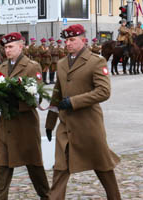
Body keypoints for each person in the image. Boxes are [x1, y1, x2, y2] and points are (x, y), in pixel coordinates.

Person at [45, 24, 121, 199]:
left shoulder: (96, 61)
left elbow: (104, 92)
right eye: (66, 40)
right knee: (60, 168)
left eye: (72, 40)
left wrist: (73, 101)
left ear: (83, 40)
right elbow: (57, 94)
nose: (68, 44)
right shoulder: (62, 63)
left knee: (102, 166)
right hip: (66, 126)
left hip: (89, 125)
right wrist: (50, 123)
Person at [0, 32, 50, 200]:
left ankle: (46, 195)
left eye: (11, 46)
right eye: (5, 47)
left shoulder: (32, 66)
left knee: (34, 164)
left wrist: (16, 100)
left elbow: (37, 96)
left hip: (25, 123)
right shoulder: (1, 67)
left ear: (21, 46)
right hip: (6, 123)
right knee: (3, 165)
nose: (7, 50)